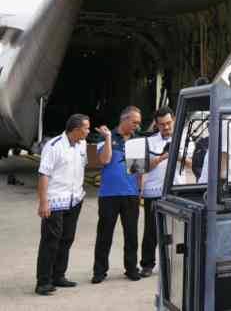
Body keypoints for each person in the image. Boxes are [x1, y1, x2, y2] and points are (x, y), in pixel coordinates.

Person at [35, 114, 91, 295]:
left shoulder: (82, 144)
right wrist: (43, 202)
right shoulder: (54, 146)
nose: (89, 131)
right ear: (75, 129)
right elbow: (44, 175)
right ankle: (43, 281)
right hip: (55, 202)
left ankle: (58, 275)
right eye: (86, 128)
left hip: (74, 200)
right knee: (50, 242)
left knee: (67, 240)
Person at [92, 106, 143, 284]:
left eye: (138, 123)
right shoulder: (107, 136)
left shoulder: (137, 140)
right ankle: (99, 271)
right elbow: (104, 160)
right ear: (125, 120)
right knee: (104, 234)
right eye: (135, 122)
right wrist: (107, 139)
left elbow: (138, 170)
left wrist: (139, 191)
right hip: (109, 195)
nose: (137, 126)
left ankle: (131, 268)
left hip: (131, 194)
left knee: (131, 234)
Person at [139, 108, 174, 277]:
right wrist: (160, 158)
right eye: (162, 125)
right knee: (151, 230)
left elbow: (193, 164)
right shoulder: (149, 142)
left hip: (176, 192)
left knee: (174, 231)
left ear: (173, 120)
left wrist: (178, 156)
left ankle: (171, 264)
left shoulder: (184, 139)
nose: (166, 127)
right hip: (153, 192)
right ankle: (147, 264)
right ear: (157, 125)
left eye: (168, 123)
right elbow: (140, 168)